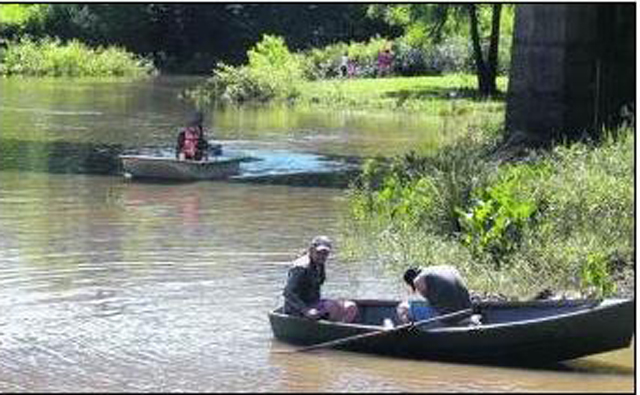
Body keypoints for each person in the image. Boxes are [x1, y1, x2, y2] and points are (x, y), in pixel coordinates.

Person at [282, 236, 358, 323]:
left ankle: (341, 330)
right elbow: (288, 293)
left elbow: (319, 282)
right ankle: (333, 329)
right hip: (296, 310)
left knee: (351, 307)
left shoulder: (320, 263)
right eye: (319, 252)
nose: (322, 256)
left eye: (325, 253)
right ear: (311, 250)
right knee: (331, 307)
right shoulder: (301, 267)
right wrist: (306, 310)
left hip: (313, 303)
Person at [396, 265, 477, 326]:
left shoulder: (418, 280)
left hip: (448, 318)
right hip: (467, 312)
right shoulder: (448, 268)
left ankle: (411, 333)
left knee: (402, 307)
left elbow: (430, 302)